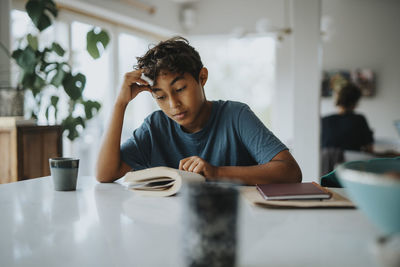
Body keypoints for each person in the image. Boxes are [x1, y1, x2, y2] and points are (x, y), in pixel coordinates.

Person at [96, 36, 302, 184]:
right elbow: (105, 174)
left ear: (202, 77)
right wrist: (120, 104)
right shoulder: (155, 126)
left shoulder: (236, 116)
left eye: (180, 89)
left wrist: (217, 172)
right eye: (160, 96)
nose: (173, 104)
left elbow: (291, 171)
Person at [321, 83, 374, 152]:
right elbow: (369, 149)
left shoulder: (324, 120)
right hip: (353, 161)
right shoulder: (359, 120)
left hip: (327, 161)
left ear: (338, 100)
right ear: (355, 102)